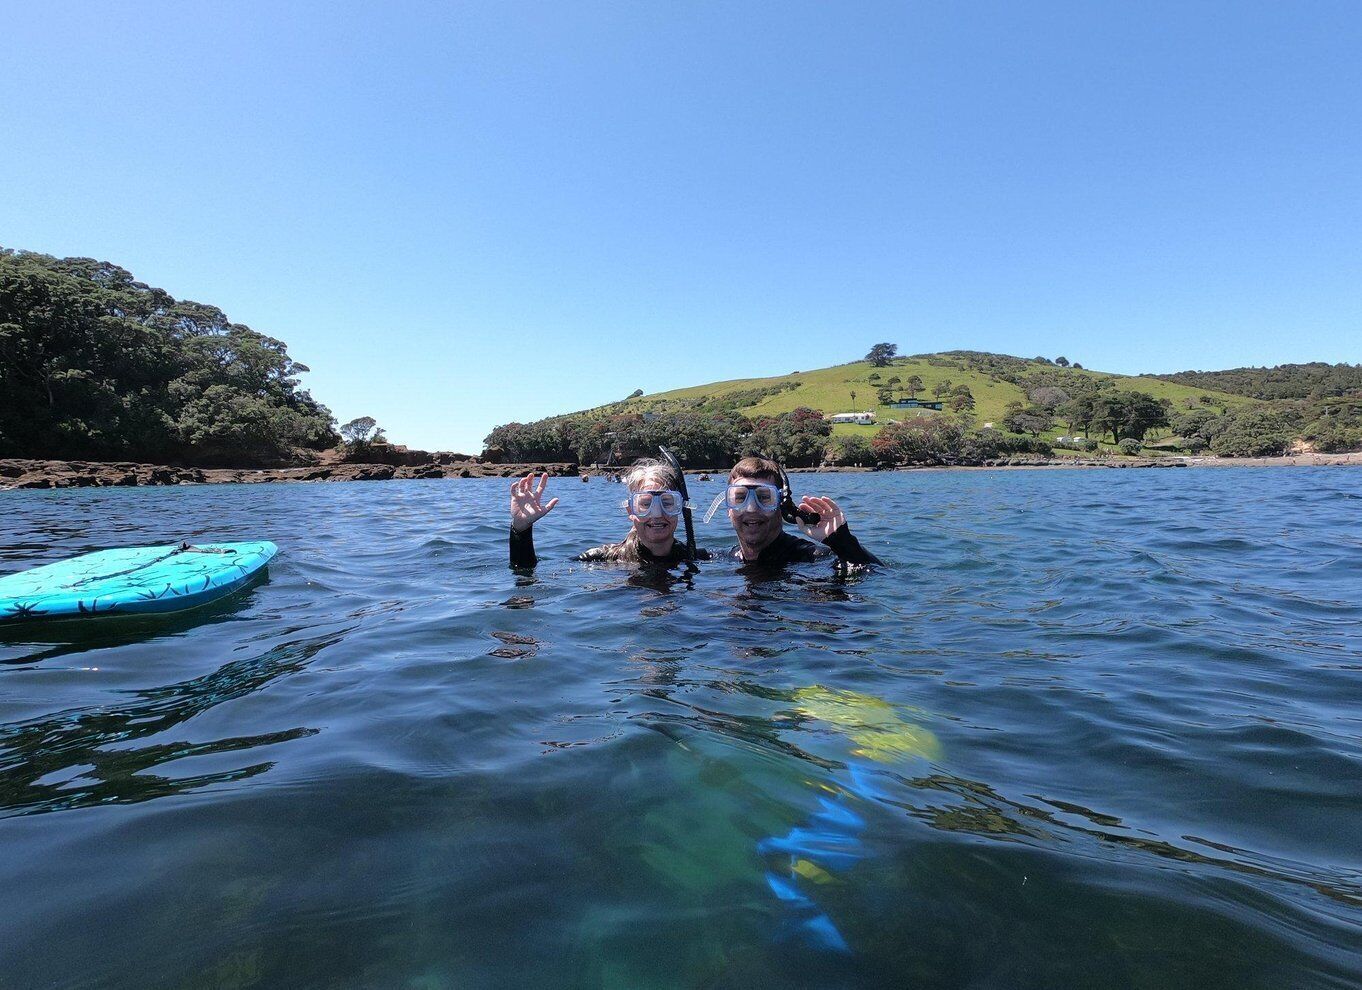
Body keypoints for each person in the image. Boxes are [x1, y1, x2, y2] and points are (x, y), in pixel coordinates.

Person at [509, 458, 711, 569]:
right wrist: (521, 531)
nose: (656, 514)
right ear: (630, 510)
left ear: (681, 508)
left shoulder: (699, 557)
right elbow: (527, 571)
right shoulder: (602, 560)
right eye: (645, 504)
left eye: (667, 503)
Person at [717, 456, 880, 568]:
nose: (751, 508)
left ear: (782, 507)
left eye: (764, 497)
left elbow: (877, 576)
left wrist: (845, 544)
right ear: (728, 509)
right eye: (740, 498)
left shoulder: (811, 558)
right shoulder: (717, 559)